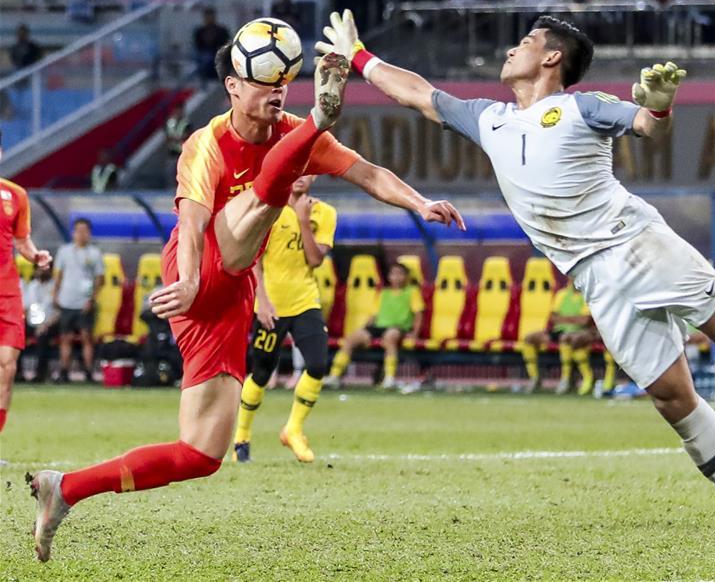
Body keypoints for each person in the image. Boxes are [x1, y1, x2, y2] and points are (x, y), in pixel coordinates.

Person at [318, 10, 715, 582]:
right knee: (672, 398)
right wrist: (362, 56)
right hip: (593, 278)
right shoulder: (487, 119)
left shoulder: (580, 106)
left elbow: (646, 125)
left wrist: (661, 105)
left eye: (525, 40)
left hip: (635, 242)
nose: (512, 49)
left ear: (551, 57)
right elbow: (420, 94)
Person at [28, 28, 463, 562]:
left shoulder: (294, 134)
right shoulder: (206, 143)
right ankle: (315, 130)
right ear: (233, 85)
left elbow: (367, 172)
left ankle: (65, 488)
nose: (276, 90)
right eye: (263, 81)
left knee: (202, 453)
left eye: (283, 80)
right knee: (269, 190)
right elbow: (190, 223)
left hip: (232, 289)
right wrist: (187, 281)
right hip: (201, 265)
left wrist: (420, 203)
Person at [232, 175, 337, 464]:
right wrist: (261, 302)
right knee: (262, 372)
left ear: (314, 175)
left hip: (305, 301)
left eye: (307, 172)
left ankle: (293, 429)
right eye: (297, 170)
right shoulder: (269, 210)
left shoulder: (324, 213)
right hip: (272, 307)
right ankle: (241, 437)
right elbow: (253, 259)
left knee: (317, 364)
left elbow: (315, 260)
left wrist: (303, 220)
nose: (301, 177)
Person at [0, 177, 51, 434]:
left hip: (6, 291)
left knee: (7, 366)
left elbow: (21, 240)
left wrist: (35, 255)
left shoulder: (16, 194)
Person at [326, 261, 423, 390]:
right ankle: (334, 376)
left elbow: (418, 314)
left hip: (398, 327)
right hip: (378, 327)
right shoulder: (383, 293)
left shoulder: (412, 292)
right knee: (351, 339)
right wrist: (364, 329)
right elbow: (374, 315)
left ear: (406, 277)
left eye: (400, 274)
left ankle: (389, 379)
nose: (396, 277)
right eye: (393, 274)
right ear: (389, 276)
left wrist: (415, 334)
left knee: (390, 337)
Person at [520, 280, 595, 396]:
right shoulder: (561, 294)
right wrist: (575, 319)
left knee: (566, 339)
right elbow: (553, 318)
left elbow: (585, 321)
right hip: (559, 330)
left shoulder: (588, 295)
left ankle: (565, 379)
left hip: (579, 332)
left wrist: (563, 318)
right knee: (529, 338)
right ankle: (534, 378)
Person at [53, 218, 104, 384]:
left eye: (85, 231)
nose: (81, 234)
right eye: (78, 230)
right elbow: (58, 276)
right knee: (65, 338)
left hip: (85, 303)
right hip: (66, 300)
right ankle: (64, 371)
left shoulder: (95, 253)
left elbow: (99, 279)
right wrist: (55, 295)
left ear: (89, 233)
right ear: (73, 233)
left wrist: (92, 299)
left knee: (86, 337)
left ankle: (89, 371)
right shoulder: (64, 251)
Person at [22, 264, 59, 384]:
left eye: (45, 269)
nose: (41, 271)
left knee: (43, 337)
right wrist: (32, 323)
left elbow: (59, 312)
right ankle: (17, 373)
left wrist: (44, 325)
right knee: (16, 335)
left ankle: (40, 374)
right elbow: (26, 308)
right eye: (39, 269)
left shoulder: (55, 286)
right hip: (32, 323)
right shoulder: (32, 286)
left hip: (50, 324)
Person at [193, 8, 230, 81]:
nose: (209, 19)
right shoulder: (200, 31)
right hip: (204, 54)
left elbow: (225, 43)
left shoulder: (221, 30)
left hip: (218, 52)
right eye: (207, 17)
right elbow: (198, 45)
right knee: (205, 59)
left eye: (211, 16)